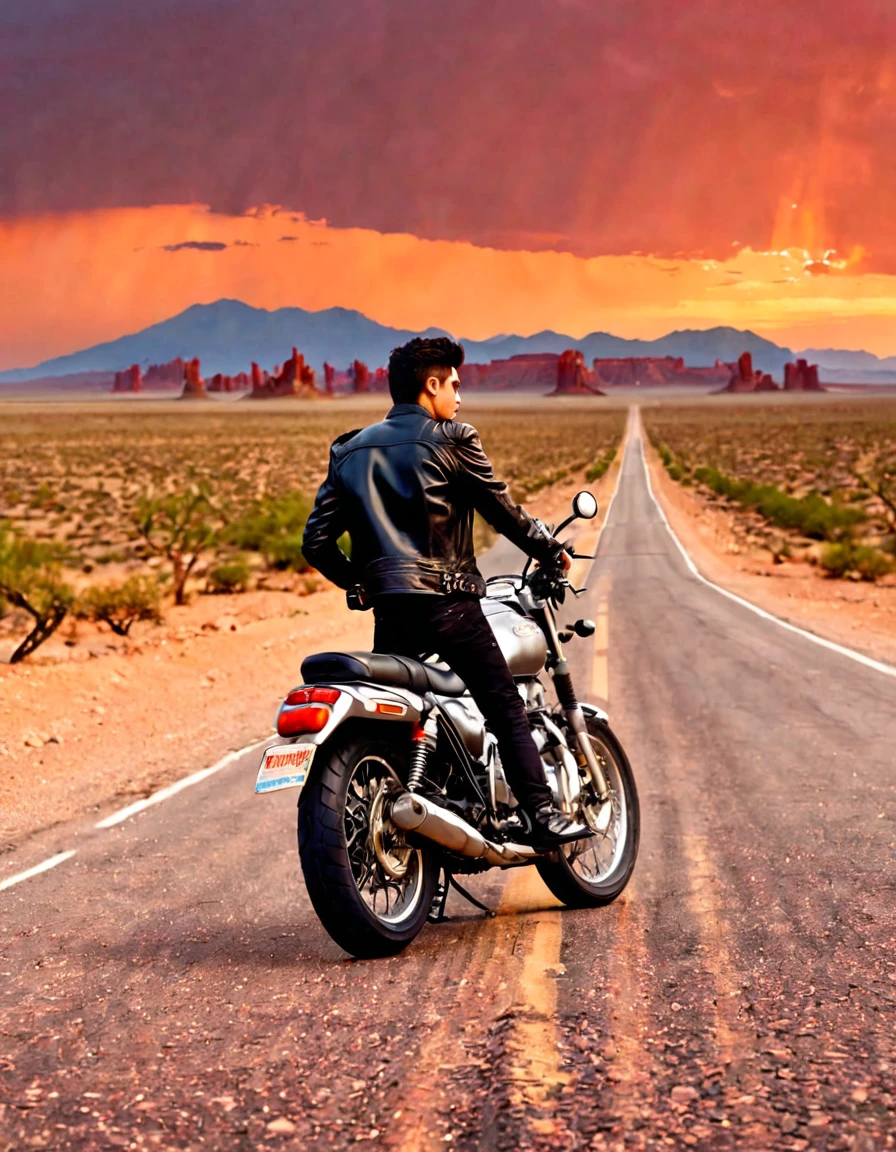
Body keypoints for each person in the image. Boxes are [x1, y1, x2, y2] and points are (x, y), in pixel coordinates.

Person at [302, 336, 591, 849]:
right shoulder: (451, 438)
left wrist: (361, 583)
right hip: (449, 605)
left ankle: (423, 827)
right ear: (430, 385)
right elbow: (502, 511)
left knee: (407, 717)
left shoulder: (348, 451)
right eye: (454, 384)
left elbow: (316, 543)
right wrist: (548, 547)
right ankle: (544, 816)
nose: (460, 395)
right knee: (504, 704)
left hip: (391, 613)